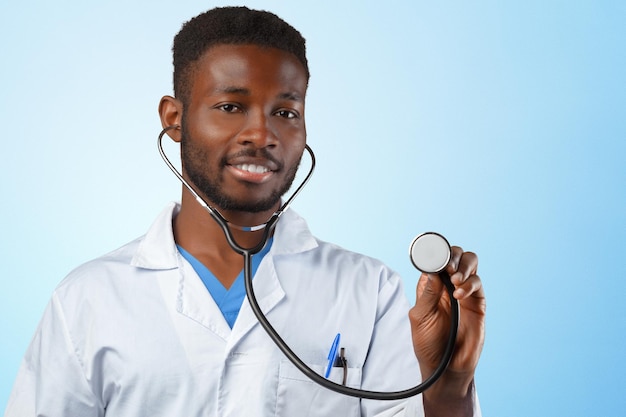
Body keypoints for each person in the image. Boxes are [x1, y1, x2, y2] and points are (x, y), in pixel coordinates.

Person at [4, 6, 485, 417]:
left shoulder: (368, 290)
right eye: (232, 107)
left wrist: (449, 384)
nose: (263, 133)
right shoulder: (88, 299)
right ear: (175, 119)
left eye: (286, 112)